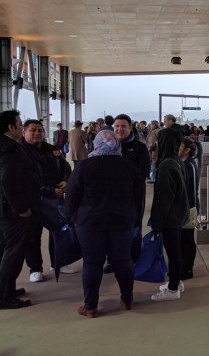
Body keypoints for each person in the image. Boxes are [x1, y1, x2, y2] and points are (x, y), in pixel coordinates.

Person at [65, 130, 144, 317]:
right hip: (122, 221)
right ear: (116, 144)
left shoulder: (84, 167)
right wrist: (136, 219)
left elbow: (71, 197)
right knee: (123, 261)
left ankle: (90, 306)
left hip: (89, 223)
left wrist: (71, 219)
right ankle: (127, 299)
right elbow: (138, 197)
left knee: (92, 263)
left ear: (97, 143)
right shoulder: (128, 167)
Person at [0, 110, 41, 309]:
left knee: (1, 249)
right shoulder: (10, 148)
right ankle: (4, 297)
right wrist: (21, 207)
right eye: (19, 123)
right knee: (13, 253)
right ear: (12, 127)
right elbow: (10, 180)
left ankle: (0, 289)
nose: (21, 126)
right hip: (10, 210)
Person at [20, 119, 73, 283]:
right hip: (33, 199)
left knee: (59, 231)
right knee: (33, 236)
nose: (37, 133)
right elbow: (25, 179)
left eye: (40, 131)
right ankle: (35, 268)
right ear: (24, 132)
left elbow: (65, 166)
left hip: (56, 199)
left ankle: (59, 262)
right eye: (33, 130)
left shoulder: (52, 149)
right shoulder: (19, 152)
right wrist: (50, 190)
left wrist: (66, 180)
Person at [104, 114, 150, 273]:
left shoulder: (139, 148)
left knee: (134, 228)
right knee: (110, 229)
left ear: (130, 127)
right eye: (116, 126)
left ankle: (134, 259)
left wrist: (123, 179)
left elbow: (143, 171)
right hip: (110, 197)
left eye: (123, 126)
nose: (119, 129)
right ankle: (111, 260)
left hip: (133, 196)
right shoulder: (107, 146)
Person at [149, 129, 189, 301]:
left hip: (170, 218)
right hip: (179, 214)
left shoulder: (166, 166)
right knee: (176, 250)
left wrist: (157, 222)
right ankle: (176, 281)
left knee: (173, 252)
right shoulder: (177, 161)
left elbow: (163, 199)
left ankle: (173, 289)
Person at [178, 138, 200, 281]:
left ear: (187, 150)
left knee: (186, 239)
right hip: (186, 206)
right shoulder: (185, 164)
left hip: (188, 207)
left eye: (179, 146)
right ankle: (183, 266)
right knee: (182, 239)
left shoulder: (188, 166)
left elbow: (188, 189)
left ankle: (187, 268)